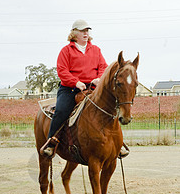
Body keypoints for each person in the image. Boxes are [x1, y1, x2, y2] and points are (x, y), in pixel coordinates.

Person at [40, 19, 129, 159]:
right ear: (74, 33)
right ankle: (52, 141)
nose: (85, 33)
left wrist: (99, 78)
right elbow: (62, 71)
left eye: (87, 30)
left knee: (108, 108)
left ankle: (117, 143)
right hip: (70, 89)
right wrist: (76, 82)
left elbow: (103, 67)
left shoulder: (96, 50)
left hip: (92, 88)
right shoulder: (66, 51)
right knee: (62, 110)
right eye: (82, 31)